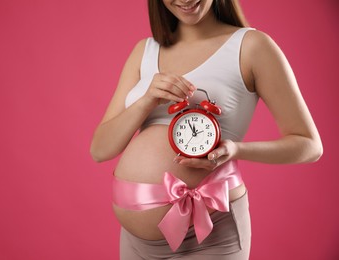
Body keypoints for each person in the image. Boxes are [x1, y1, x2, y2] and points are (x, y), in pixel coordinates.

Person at [90, 0, 323, 259]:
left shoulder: (251, 46)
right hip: (135, 243)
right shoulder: (144, 50)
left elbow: (309, 145)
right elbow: (100, 150)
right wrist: (146, 100)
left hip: (209, 236)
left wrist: (235, 150)